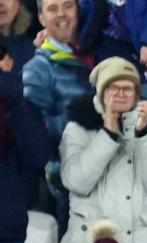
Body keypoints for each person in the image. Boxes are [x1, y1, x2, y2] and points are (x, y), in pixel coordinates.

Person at [57, 57, 147, 243]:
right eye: (113, 88)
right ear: (101, 92)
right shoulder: (78, 127)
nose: (120, 94)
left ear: (137, 94)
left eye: (127, 89)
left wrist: (143, 133)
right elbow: (76, 181)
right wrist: (108, 133)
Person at [22, 0, 93, 225]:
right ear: (41, 18)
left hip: (117, 184)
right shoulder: (37, 69)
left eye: (68, 6)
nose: (61, 14)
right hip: (68, 193)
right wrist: (84, 117)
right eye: (52, 9)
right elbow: (34, 132)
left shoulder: (104, 51)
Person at [0, 44, 47, 243]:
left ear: (9, 62)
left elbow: (38, 157)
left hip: (8, 238)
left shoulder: (23, 105)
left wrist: (16, 103)